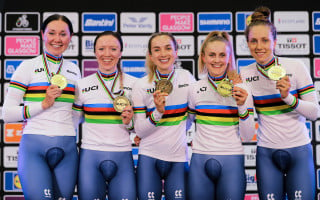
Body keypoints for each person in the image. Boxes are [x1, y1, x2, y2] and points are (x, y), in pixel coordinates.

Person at [241, 6, 319, 200]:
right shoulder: (245, 74)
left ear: (274, 41)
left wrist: (288, 98)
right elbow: (247, 130)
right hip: (266, 153)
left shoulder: (295, 67)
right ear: (247, 44)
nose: (259, 47)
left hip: (299, 151)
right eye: (254, 41)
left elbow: (315, 113)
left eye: (265, 40)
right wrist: (241, 106)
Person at [2, 14, 80, 200]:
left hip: (68, 147)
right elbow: (7, 113)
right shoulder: (27, 66)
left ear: (70, 37)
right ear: (42, 34)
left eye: (63, 34)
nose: (57, 39)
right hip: (34, 147)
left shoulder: (74, 69)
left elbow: (76, 112)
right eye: (52, 33)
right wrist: (43, 105)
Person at [187, 31, 255, 200]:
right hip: (200, 159)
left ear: (229, 58)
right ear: (203, 57)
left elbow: (247, 136)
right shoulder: (194, 88)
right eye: (212, 55)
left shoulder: (242, 89)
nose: (217, 60)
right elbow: (185, 125)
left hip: (231, 159)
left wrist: (241, 107)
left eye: (222, 55)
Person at [73, 31, 137, 200]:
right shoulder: (82, 85)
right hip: (90, 157)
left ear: (121, 52)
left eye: (113, 49)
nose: (107, 54)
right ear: (95, 52)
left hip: (123, 155)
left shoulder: (135, 84)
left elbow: (140, 126)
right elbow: (71, 121)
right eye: (102, 49)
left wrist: (131, 123)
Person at [132, 32, 195, 200]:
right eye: (157, 50)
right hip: (149, 157)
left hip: (178, 157)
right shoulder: (141, 85)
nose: (163, 54)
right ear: (151, 56)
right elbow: (139, 129)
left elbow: (192, 117)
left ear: (176, 52)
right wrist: (158, 112)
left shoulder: (187, 78)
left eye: (168, 48)